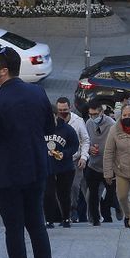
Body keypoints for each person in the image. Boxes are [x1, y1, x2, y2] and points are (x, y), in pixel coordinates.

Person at [0, 46, 56, 258]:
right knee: (37, 225)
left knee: (14, 229)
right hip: (36, 169)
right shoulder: (38, 93)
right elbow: (49, 128)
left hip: (6, 175)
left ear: (3, 71)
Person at [44, 98, 81, 229]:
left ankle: (66, 218)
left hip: (65, 167)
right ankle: (49, 220)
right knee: (47, 194)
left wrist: (64, 154)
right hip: (47, 167)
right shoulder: (40, 129)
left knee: (64, 194)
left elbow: (75, 145)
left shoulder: (67, 129)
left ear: (55, 115)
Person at [82, 100, 120, 226]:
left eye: (95, 114)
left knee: (110, 194)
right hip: (93, 164)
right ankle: (95, 219)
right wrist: (89, 149)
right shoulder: (88, 123)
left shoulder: (112, 125)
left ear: (101, 112)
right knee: (92, 194)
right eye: (90, 114)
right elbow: (85, 141)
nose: (93, 117)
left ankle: (116, 207)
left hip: (108, 166)